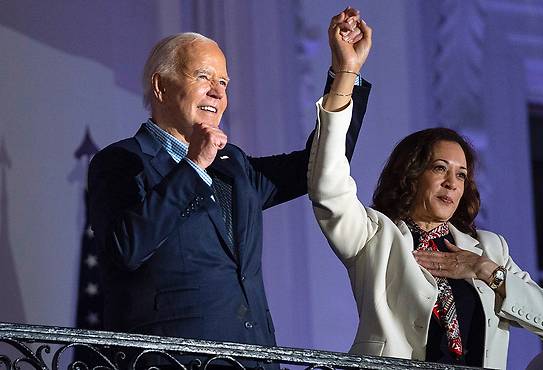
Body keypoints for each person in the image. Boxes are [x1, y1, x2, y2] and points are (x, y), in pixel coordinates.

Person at [87, 8, 371, 369]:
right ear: (160, 86)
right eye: (203, 77)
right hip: (174, 362)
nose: (217, 92)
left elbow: (318, 165)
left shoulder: (233, 165)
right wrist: (193, 166)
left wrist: (346, 74)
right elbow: (125, 248)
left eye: (224, 83)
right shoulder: (123, 162)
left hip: (254, 358)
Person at [309, 27, 543, 370]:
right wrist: (346, 73)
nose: (452, 183)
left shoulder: (490, 250)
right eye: (439, 168)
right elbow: (328, 184)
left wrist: (486, 271)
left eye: (461, 175)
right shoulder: (376, 236)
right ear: (412, 174)